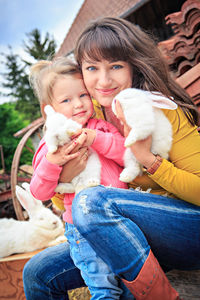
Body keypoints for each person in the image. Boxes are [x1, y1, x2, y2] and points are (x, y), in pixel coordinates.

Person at [23, 17, 200, 300]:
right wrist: (64, 177)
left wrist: (149, 160)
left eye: (115, 66)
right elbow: (64, 200)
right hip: (125, 230)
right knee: (37, 272)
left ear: (133, 66)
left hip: (184, 228)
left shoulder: (159, 111)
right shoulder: (85, 112)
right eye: (92, 68)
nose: (103, 81)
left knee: (93, 199)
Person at [28, 56, 133, 299]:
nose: (78, 105)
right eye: (67, 100)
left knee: (131, 285)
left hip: (121, 220)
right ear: (49, 107)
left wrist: (96, 138)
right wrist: (54, 163)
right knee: (103, 287)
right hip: (82, 231)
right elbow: (38, 191)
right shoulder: (52, 143)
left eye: (83, 95)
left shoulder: (102, 127)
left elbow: (127, 153)